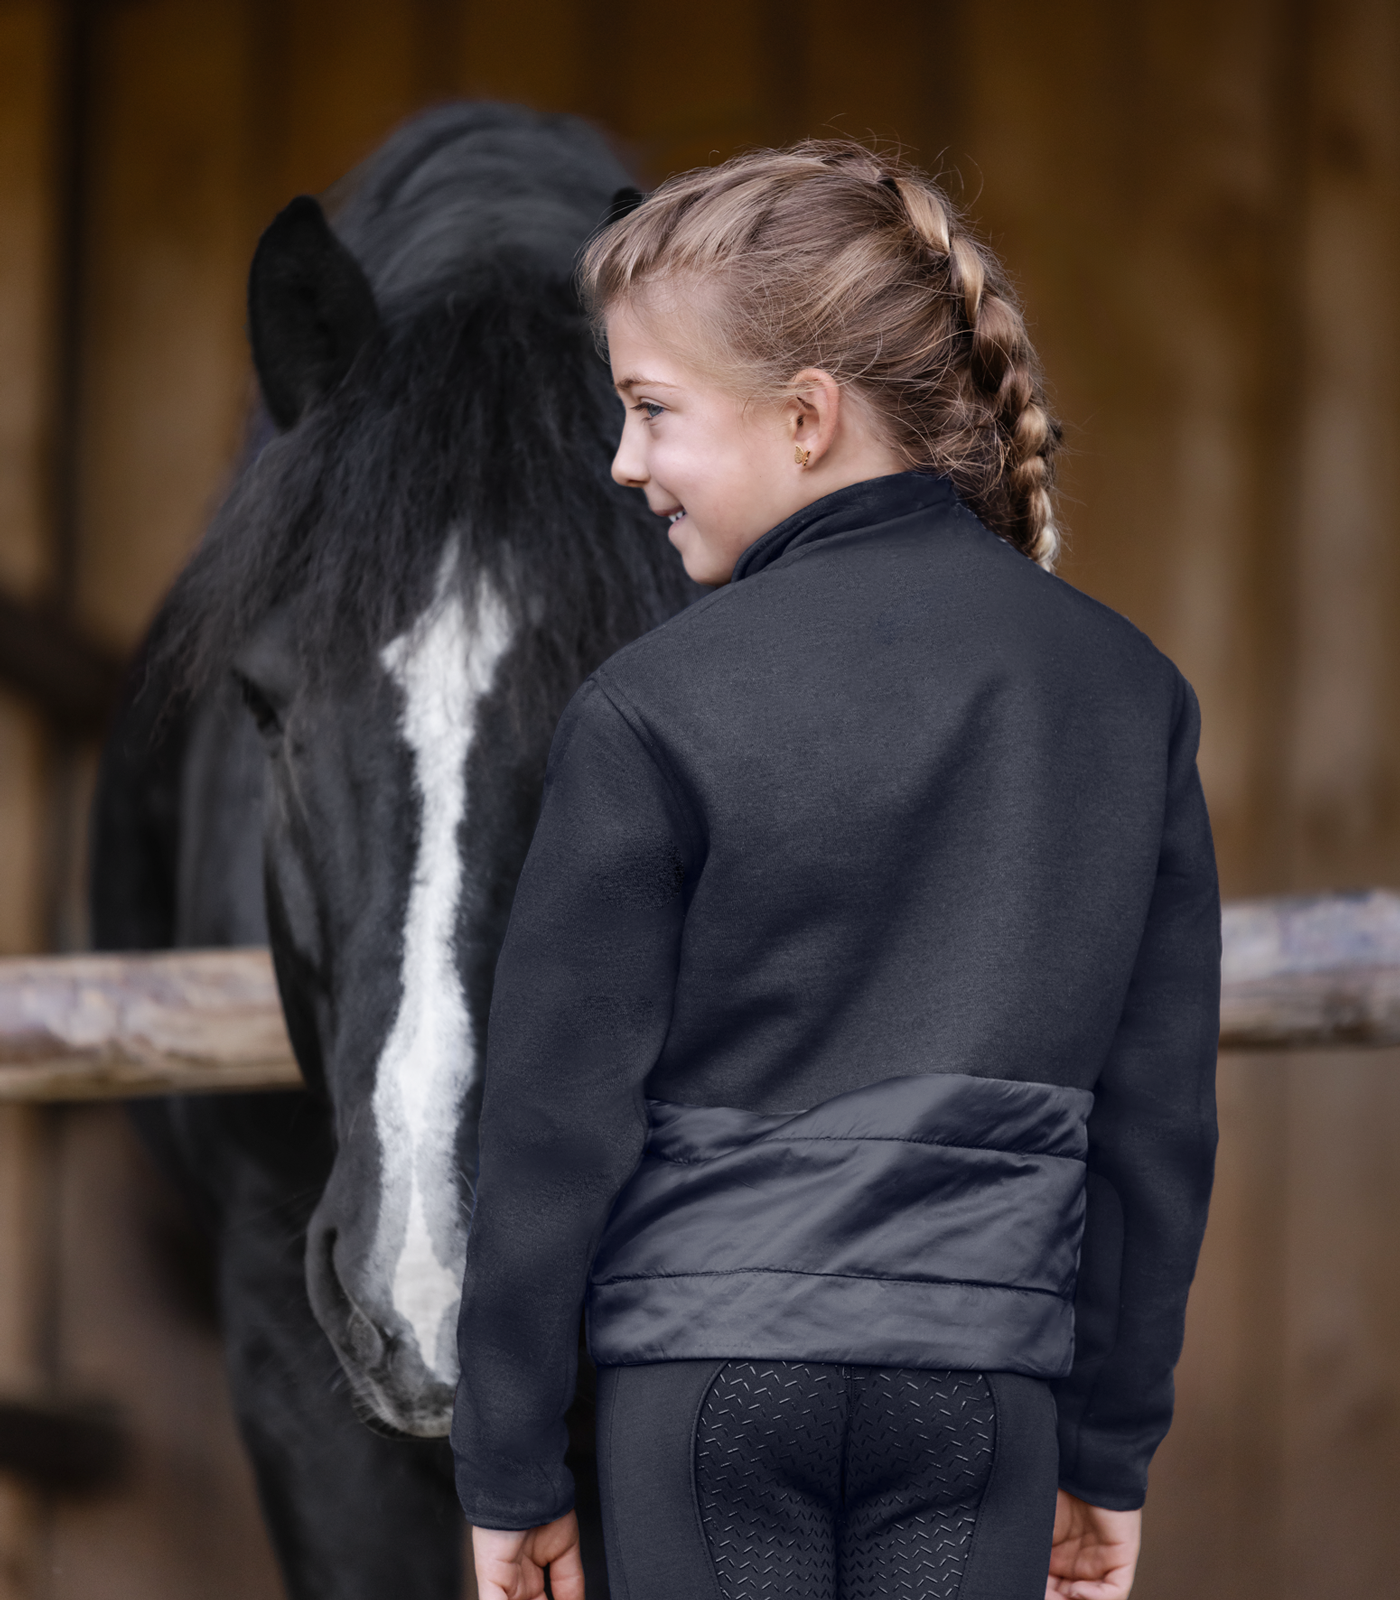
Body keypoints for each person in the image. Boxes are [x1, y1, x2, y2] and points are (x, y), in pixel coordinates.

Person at [452, 142, 1219, 1600]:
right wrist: (1109, 1446)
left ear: (807, 418)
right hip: (982, 1398)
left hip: (704, 1390)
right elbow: (1157, 1124)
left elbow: (553, 1125)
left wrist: (510, 1462)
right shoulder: (1127, 695)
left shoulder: (648, 703)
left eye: (649, 410)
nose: (624, 465)